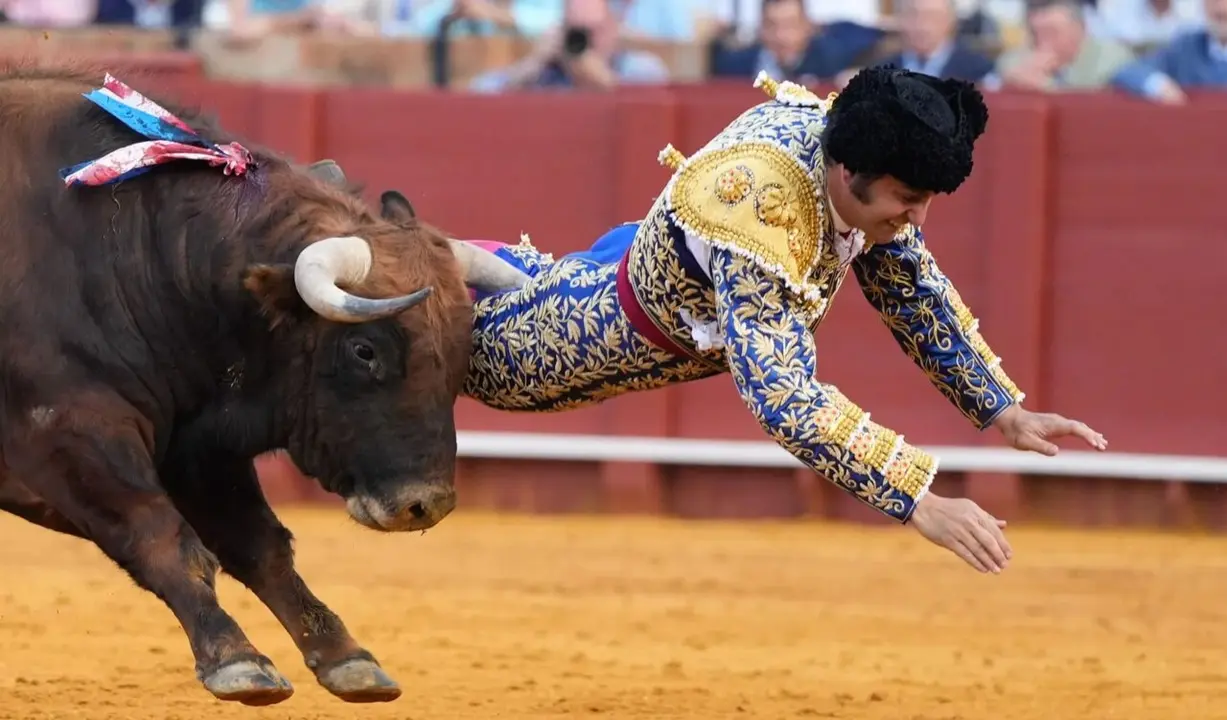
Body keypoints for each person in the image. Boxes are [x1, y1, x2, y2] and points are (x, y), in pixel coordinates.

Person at [315, 66, 1108, 575]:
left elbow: (907, 284)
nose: (916, 217)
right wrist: (919, 498)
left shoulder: (848, 149)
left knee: (518, 278)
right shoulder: (760, 209)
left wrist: (999, 409)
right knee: (465, 354)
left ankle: (394, 244)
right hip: (586, 336)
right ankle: (329, 247)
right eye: (907, 199)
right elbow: (784, 398)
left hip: (627, 271)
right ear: (847, 172)